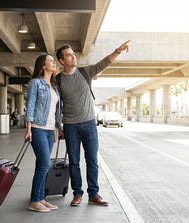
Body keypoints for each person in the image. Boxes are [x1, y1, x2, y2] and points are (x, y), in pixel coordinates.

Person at [56, 40, 130, 206]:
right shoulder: (59, 80)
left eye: (73, 54)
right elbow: (56, 104)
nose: (73, 57)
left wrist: (117, 50)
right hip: (70, 126)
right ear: (62, 61)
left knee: (92, 161)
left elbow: (104, 63)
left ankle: (93, 194)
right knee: (74, 162)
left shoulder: (85, 72)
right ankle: (77, 194)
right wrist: (57, 126)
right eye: (68, 55)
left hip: (89, 123)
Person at [25, 53, 61, 213]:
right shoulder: (35, 83)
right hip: (37, 128)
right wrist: (28, 129)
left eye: (54, 61)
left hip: (48, 130)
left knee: (42, 164)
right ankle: (34, 200)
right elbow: (31, 106)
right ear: (43, 65)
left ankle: (40, 198)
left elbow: (54, 111)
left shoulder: (54, 86)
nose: (54, 62)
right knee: (45, 163)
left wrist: (55, 129)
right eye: (51, 61)